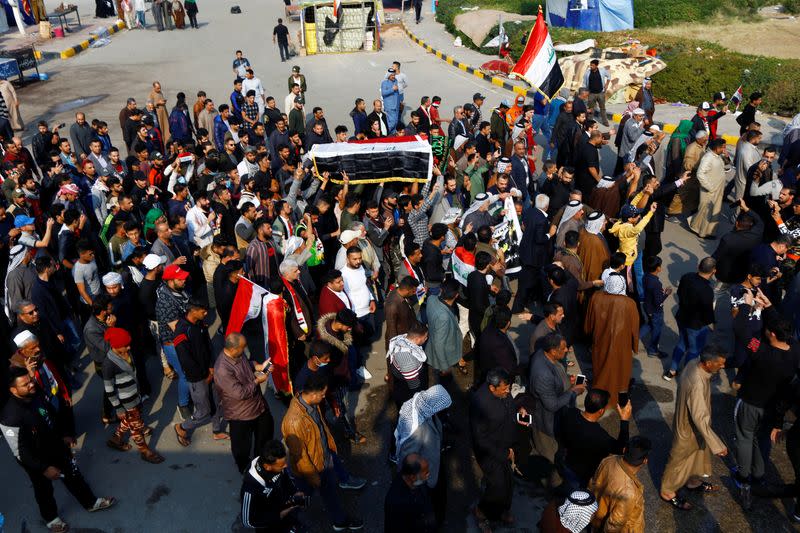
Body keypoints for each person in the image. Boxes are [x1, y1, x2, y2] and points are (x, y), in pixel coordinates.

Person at [1, 367, 116, 533]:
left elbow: (52, 412)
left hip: (56, 445)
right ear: (13, 390)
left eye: (30, 380)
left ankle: (91, 502)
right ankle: (50, 518)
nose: (32, 384)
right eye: (25, 384)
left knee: (73, 474)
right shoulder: (9, 417)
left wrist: (65, 433)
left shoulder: (36, 392)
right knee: (43, 489)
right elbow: (20, 452)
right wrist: (44, 468)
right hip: (36, 460)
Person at [731, 307, 799, 509]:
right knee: (762, 440)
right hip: (771, 408)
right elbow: (779, 326)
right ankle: (759, 475)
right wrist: (769, 307)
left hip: (750, 403)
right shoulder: (795, 350)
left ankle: (743, 478)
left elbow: (741, 330)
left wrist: (746, 305)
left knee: (744, 437)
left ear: (771, 334)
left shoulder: (760, 350)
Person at [281, 372, 365, 531]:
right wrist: (314, 477)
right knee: (300, 500)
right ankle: (287, 523)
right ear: (312, 394)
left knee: (331, 494)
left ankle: (339, 521)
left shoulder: (312, 404)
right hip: (309, 472)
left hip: (324, 461)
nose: (323, 397)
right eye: (322, 394)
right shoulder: (293, 421)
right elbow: (300, 457)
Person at [659, 346, 728, 510]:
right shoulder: (697, 382)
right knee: (678, 458)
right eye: (720, 364)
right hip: (688, 428)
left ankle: (692, 481)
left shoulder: (694, 362)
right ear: (708, 363)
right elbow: (699, 417)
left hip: (691, 423)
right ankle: (667, 491)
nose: (723, 367)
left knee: (697, 453)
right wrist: (717, 445)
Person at [102, 327, 164, 464]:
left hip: (135, 395)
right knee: (135, 428)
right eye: (126, 345)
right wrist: (118, 408)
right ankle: (144, 450)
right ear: (116, 346)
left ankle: (116, 438)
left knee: (132, 419)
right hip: (126, 402)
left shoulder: (126, 353)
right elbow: (109, 389)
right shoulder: (108, 364)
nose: (129, 347)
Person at [529, 333, 585, 485]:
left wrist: (567, 380)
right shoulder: (543, 374)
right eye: (563, 348)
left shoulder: (545, 355)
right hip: (547, 421)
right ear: (553, 351)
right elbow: (552, 405)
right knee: (551, 456)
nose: (567, 350)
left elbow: (555, 380)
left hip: (555, 416)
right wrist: (573, 391)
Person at [213, 333, 273, 473]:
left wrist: (259, 367)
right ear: (233, 349)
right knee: (242, 446)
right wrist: (257, 381)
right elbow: (239, 393)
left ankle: (261, 461)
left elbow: (247, 365)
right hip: (241, 414)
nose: (245, 349)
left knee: (265, 434)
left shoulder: (238, 354)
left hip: (258, 405)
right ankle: (245, 468)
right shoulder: (222, 369)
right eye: (243, 347)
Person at [470, 368, 522, 528]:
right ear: (492, 388)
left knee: (508, 482)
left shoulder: (503, 393)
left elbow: (509, 407)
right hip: (491, 453)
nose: (508, 391)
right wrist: (503, 453)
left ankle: (502, 510)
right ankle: (482, 512)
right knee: (497, 486)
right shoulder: (480, 404)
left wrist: (518, 412)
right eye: (504, 388)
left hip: (506, 447)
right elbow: (481, 439)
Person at [394, 385, 451, 526]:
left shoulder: (420, 404)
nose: (444, 410)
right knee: (431, 504)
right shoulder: (417, 431)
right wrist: (415, 481)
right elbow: (407, 458)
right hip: (425, 474)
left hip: (431, 463)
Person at [172, 300, 227, 447]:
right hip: (197, 378)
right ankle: (182, 427)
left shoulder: (200, 324)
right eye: (203, 311)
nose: (206, 313)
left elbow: (208, 345)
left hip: (208, 372)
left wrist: (211, 367)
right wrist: (204, 376)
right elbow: (186, 361)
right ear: (193, 311)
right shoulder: (182, 331)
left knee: (215, 402)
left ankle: (216, 431)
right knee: (203, 411)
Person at [583, 270, 639, 407]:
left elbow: (589, 323)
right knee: (620, 372)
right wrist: (634, 344)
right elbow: (634, 327)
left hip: (600, 342)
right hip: (622, 345)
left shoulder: (596, 297)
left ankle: (599, 397)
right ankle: (617, 399)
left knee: (600, 368)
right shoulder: (629, 303)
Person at [560, 389, 630, 488]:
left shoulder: (570, 413)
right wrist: (624, 419)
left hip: (568, 463)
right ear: (601, 411)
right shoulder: (600, 436)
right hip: (585, 476)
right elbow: (621, 448)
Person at [665, 257, 716, 381]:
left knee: (682, 343)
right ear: (713, 271)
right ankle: (686, 375)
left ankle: (672, 370)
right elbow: (707, 314)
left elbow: (680, 294)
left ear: (699, 266)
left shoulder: (687, 277)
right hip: (696, 325)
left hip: (682, 317)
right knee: (694, 350)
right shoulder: (707, 290)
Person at [240, 440, 305, 533]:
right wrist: (278, 516)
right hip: (268, 525)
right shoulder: (250, 488)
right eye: (282, 465)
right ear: (267, 467)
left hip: (283, 512)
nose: (286, 465)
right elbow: (247, 521)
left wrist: (294, 491)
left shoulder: (275, 464)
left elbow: (285, 477)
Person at [589, 436, 651, 532]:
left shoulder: (608, 460)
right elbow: (614, 526)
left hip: (596, 517)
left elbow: (593, 484)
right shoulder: (629, 493)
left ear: (624, 449)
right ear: (645, 460)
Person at [384, 453, 436, 533]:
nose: (428, 474)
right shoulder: (395, 502)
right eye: (425, 472)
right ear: (413, 477)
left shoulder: (418, 482)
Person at [424, 279, 463, 380]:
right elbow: (439, 344)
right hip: (442, 358)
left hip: (432, 347)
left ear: (441, 290)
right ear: (456, 295)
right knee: (443, 385)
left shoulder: (431, 299)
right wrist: (444, 367)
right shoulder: (444, 317)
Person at [689, 138, 727, 239]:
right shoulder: (708, 157)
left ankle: (708, 231)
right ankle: (702, 232)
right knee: (706, 212)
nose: (724, 149)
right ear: (716, 148)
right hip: (710, 190)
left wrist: (726, 157)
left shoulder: (718, 156)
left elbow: (726, 167)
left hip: (717, 190)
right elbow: (700, 174)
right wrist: (710, 187)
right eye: (723, 147)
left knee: (713, 211)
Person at [386, 322, 429, 409]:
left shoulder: (402, 339)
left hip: (401, 380)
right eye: (425, 337)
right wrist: (418, 398)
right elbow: (413, 384)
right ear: (417, 339)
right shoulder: (407, 359)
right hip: (407, 391)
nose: (426, 338)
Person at [640, 256, 671, 357]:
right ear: (658, 268)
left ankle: (634, 339)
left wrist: (658, 293)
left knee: (649, 324)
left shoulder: (646, 276)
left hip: (647, 306)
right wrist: (666, 294)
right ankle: (653, 349)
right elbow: (658, 302)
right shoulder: (656, 283)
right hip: (655, 310)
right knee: (656, 329)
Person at [583, 59, 610, 126]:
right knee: (591, 109)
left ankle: (605, 122)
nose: (591, 66)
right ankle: (589, 122)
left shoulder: (602, 70)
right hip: (591, 93)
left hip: (600, 93)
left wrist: (607, 84)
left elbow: (609, 76)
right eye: (590, 65)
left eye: (592, 65)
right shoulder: (587, 72)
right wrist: (586, 92)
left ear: (596, 65)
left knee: (602, 108)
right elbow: (584, 83)